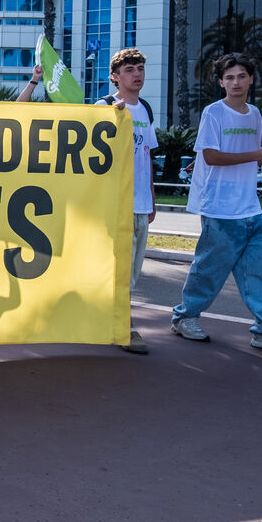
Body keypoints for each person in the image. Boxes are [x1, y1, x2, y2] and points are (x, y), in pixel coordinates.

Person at [170, 54, 262, 352]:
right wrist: (259, 155)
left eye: (241, 76)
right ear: (221, 82)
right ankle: (185, 317)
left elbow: (259, 156)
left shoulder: (255, 114)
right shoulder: (213, 112)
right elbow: (211, 157)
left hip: (250, 209)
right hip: (219, 208)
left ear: (251, 79)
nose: (236, 82)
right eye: (229, 77)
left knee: (260, 274)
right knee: (208, 270)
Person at [94, 48, 155, 354]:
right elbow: (92, 156)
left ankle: (109, 319)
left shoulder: (145, 108)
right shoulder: (104, 106)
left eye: (140, 68)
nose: (137, 74)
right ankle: (125, 327)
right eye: (130, 70)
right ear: (115, 77)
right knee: (118, 269)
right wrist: (110, 119)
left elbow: (147, 155)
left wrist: (152, 198)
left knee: (131, 273)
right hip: (115, 203)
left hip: (141, 204)